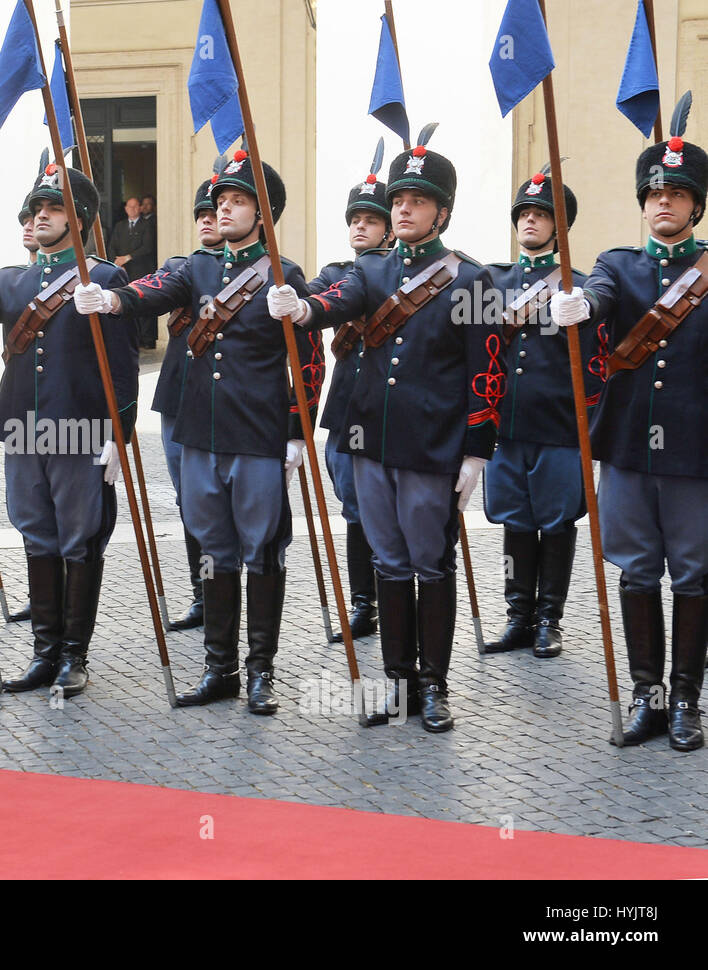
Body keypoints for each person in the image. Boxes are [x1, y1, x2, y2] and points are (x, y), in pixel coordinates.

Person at [270, 132, 504, 732]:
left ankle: (435, 687)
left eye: (417, 201)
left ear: (441, 213)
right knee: (390, 564)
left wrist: (477, 449)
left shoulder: (470, 280)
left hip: (432, 449)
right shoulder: (370, 271)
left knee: (432, 563)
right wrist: (302, 308)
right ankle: (398, 684)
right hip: (368, 442)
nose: (402, 209)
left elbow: (488, 370)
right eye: (398, 199)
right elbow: (336, 301)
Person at [77, 152, 320, 715]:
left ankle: (261, 671)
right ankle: (220, 668)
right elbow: (154, 289)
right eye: (221, 202)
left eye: (238, 202)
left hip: (257, 435)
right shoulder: (197, 268)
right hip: (201, 434)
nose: (225, 210)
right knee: (213, 548)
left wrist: (296, 431)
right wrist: (114, 298)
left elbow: (307, 361)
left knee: (261, 550)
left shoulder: (284, 277)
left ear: (265, 213)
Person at [0, 165, 140, 699]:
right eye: (37, 207)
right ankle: (44, 650)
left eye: (54, 208)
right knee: (37, 532)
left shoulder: (103, 281)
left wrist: (119, 432)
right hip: (24, 426)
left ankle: (73, 656)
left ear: (79, 219)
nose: (40, 215)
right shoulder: (14, 278)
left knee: (81, 538)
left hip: (81, 426)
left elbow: (124, 363)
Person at [551, 110, 708, 750]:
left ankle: (687, 703)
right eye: (652, 194)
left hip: (697, 451)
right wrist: (579, 306)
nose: (661, 204)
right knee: (638, 569)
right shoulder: (617, 264)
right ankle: (649, 696)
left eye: (675, 195)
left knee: (695, 573)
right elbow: (600, 297)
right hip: (626, 446)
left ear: (696, 207)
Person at [482, 169, 600, 660]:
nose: (530, 220)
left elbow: (597, 365)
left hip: (559, 430)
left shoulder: (583, 288)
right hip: (506, 428)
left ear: (561, 227)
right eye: (524, 214)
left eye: (541, 214)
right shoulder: (493, 281)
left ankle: (550, 619)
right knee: (515, 523)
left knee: (555, 524)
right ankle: (518, 616)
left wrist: (591, 431)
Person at [305, 157, 395, 643]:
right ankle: (365, 603)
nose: (360, 227)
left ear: (388, 230)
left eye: (371, 220)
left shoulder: (406, 276)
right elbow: (311, 297)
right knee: (355, 509)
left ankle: (394, 592)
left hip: (390, 411)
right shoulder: (338, 272)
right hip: (346, 411)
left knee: (389, 510)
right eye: (355, 220)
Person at [137, 176, 224, 632]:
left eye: (216, 212)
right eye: (202, 215)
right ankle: (202, 592)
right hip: (179, 399)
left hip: (227, 405)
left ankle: (229, 593)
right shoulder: (182, 267)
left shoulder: (257, 271)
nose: (209, 220)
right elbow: (151, 290)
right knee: (190, 500)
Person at [108, 196, 158, 347]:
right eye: (130, 207)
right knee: (124, 303)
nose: (133, 209)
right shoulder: (120, 226)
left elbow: (147, 247)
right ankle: (132, 338)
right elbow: (111, 247)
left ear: (140, 208)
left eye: (136, 206)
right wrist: (117, 263)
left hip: (141, 269)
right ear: (125, 209)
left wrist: (127, 258)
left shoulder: (147, 225)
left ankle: (147, 338)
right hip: (123, 271)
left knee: (144, 303)